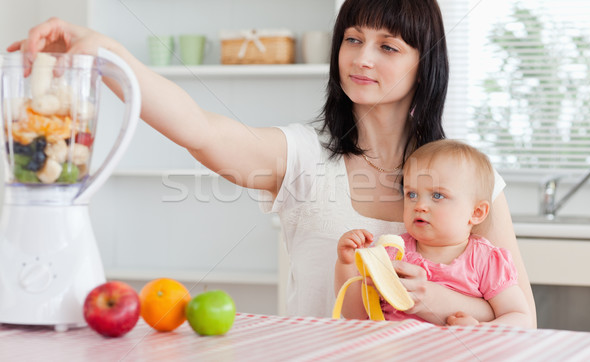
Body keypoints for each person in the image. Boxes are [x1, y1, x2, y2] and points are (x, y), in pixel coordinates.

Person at [10, 0, 536, 325]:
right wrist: (102, 52)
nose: (362, 58)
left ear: (427, 62)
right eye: (352, 39)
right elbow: (197, 127)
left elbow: (520, 319)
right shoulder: (301, 156)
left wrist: (433, 301)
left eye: (388, 46)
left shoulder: (473, 181)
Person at [336, 140, 531, 327]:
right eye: (412, 194)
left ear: (476, 213)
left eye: (437, 195)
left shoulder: (486, 261)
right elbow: (358, 314)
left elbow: (520, 318)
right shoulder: (393, 254)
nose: (419, 205)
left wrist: (479, 329)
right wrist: (347, 264)